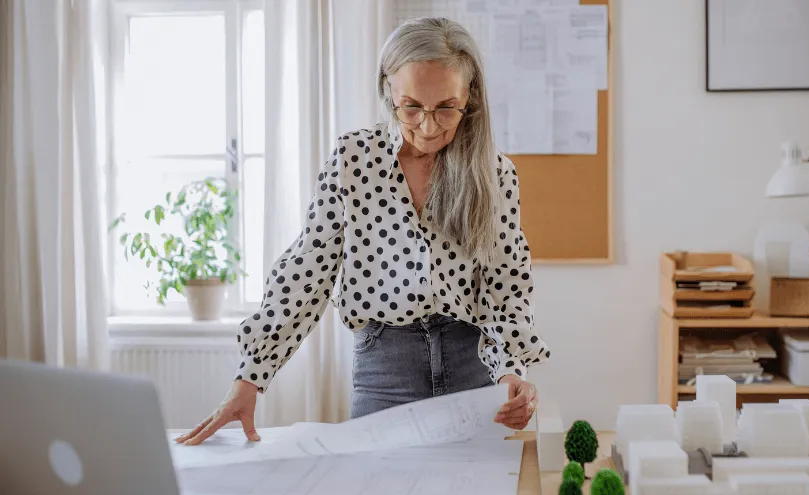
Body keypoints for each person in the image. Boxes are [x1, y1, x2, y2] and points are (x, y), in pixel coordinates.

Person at [176, 17, 550, 446]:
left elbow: (506, 285)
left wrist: (510, 373)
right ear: (387, 91)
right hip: (384, 370)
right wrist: (249, 379)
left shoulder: (495, 173)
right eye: (411, 107)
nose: (428, 127)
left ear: (471, 99)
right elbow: (306, 271)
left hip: (473, 368)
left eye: (446, 107)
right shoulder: (353, 160)